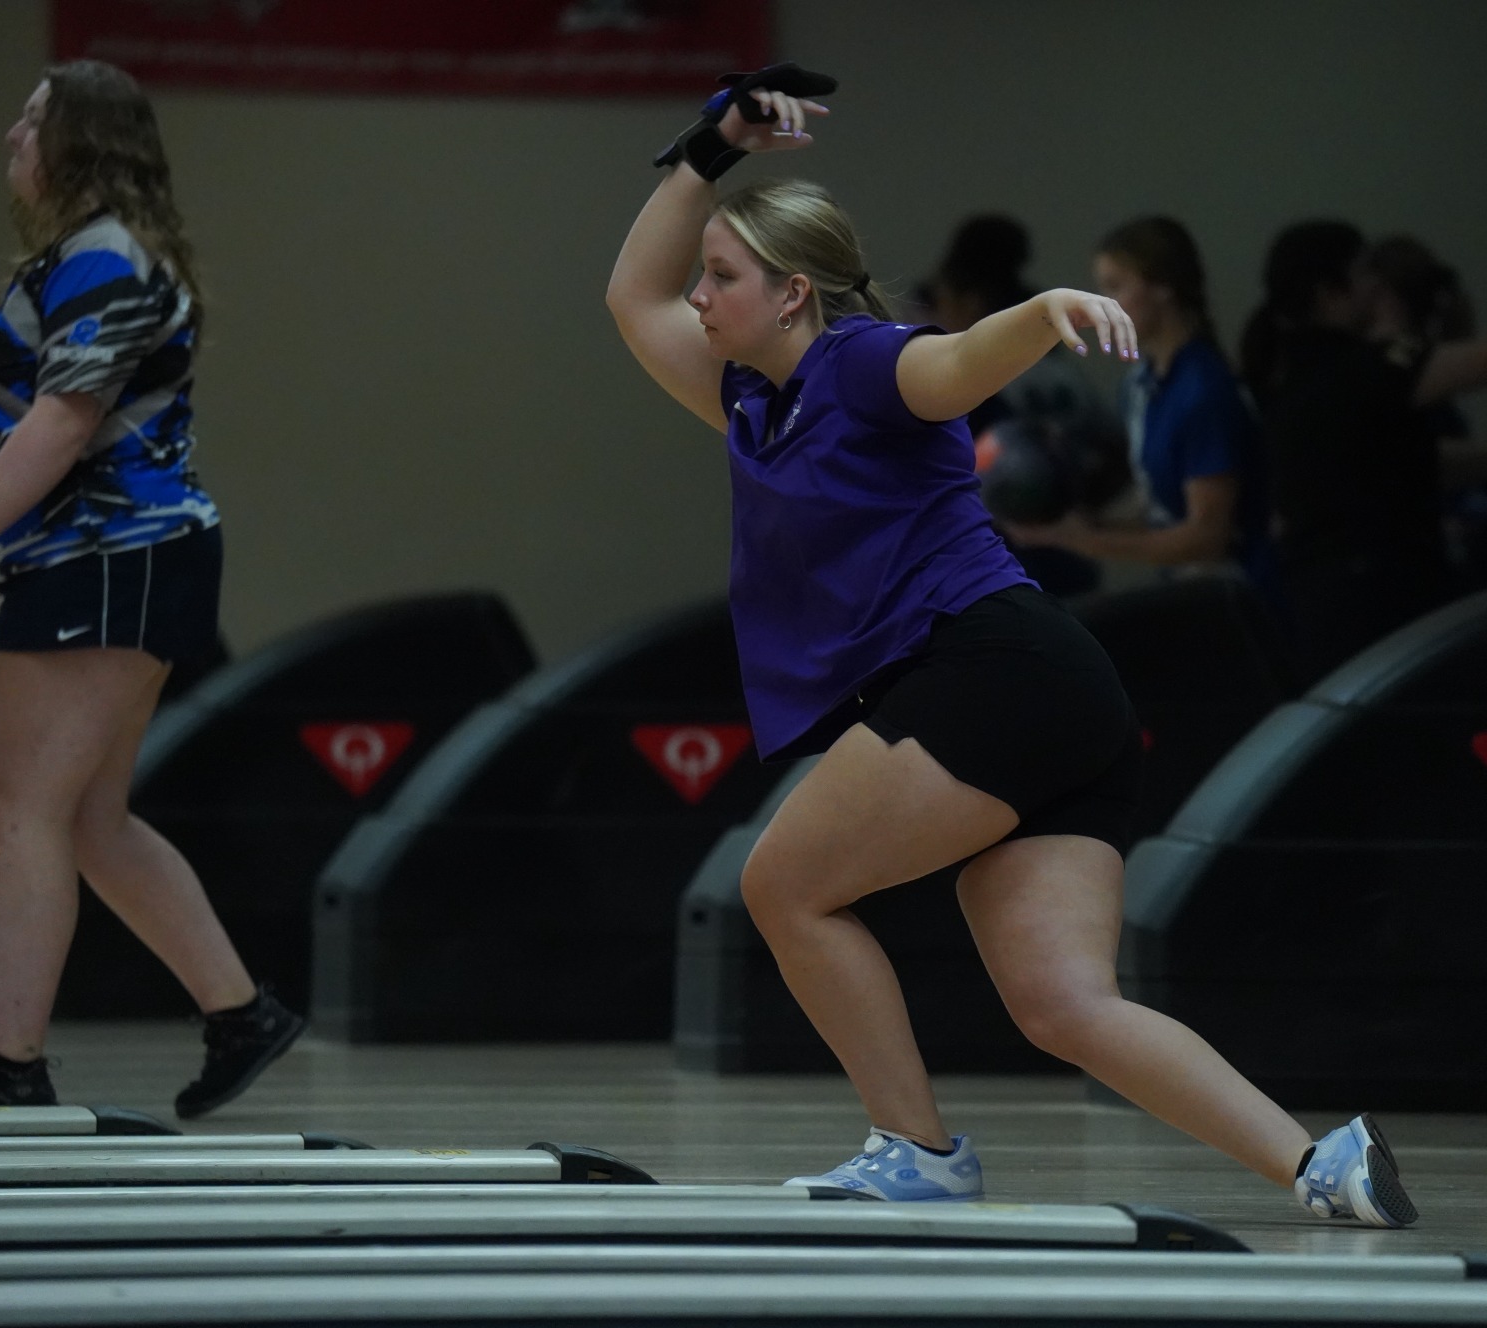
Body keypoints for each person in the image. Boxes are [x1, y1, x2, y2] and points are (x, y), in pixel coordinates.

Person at [606, 68, 1416, 1227]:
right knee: (1063, 1003)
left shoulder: (860, 362)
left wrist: (1040, 315)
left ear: (792, 295)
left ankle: (915, 1147)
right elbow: (630, 295)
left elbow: (949, 367)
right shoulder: (751, 401)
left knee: (784, 886)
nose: (696, 295)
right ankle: (1320, 1164)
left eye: (721, 278)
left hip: (987, 671)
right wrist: (710, 148)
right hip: (1057, 695)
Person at [0, 60, 302, 1118]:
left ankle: (10, 1061)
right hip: (108, 557)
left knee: (25, 805)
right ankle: (238, 1010)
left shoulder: (105, 257)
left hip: (107, 554)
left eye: (32, 121)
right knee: (87, 817)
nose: (11, 139)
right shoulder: (89, 256)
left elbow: (65, 418)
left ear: (82, 141)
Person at [1240, 217, 1487, 679]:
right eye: (1362, 273)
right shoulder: (1363, 369)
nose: (1375, 285)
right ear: (1326, 294)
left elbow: (1379, 463)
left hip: (1328, 608)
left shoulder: (1294, 376)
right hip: (1380, 604)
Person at [1000, 216, 1277, 601]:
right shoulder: (1140, 387)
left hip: (1242, 597)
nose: (1102, 305)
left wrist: (1088, 540)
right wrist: (1078, 528)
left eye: (1115, 287)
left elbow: (1206, 538)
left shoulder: (1204, 389)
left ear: (1163, 286)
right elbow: (1163, 516)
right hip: (1196, 596)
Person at [923, 213, 1114, 596]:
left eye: (942, 303)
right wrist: (1078, 514)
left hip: (1002, 570)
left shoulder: (979, 383)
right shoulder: (1061, 370)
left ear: (970, 300)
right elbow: (1115, 450)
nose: (939, 319)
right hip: (1071, 566)